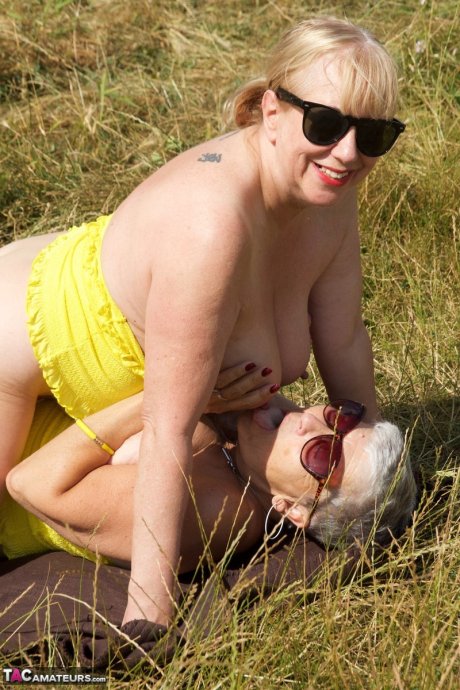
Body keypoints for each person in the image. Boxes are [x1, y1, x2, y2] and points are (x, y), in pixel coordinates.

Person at [0, 16, 407, 626]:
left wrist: (376, 479)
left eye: (373, 135)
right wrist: (150, 613)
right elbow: (167, 429)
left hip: (95, 376)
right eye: (324, 124)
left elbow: (344, 338)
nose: (349, 152)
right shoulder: (212, 226)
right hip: (14, 352)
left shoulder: (328, 189)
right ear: (272, 112)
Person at [5, 392, 416, 573]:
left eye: (323, 455)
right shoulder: (255, 455)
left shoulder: (213, 510)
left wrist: (177, 394)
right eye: (340, 418)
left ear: (294, 510)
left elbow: (29, 483)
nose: (308, 422)